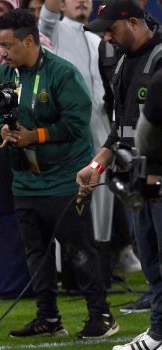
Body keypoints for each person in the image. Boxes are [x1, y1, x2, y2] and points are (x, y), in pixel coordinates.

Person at [0, 9, 118, 339]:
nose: (1, 53)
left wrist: (37, 136)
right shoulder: (6, 74)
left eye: (6, 45)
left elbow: (77, 124)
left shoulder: (62, 73)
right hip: (25, 180)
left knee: (78, 250)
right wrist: (2, 129)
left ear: (28, 41)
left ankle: (102, 316)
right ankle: (48, 318)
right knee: (36, 254)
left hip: (63, 178)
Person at [76, 0, 162, 347]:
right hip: (140, 179)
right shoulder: (123, 62)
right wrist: (97, 165)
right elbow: (121, 128)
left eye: (112, 29)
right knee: (151, 260)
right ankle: (158, 333)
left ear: (135, 23)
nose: (107, 38)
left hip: (158, 177)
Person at [39, 0, 119, 271]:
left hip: (101, 124)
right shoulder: (53, 31)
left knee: (102, 197)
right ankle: (70, 272)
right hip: (69, 129)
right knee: (71, 195)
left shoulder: (98, 38)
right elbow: (47, 14)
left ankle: (102, 270)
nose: (82, 1)